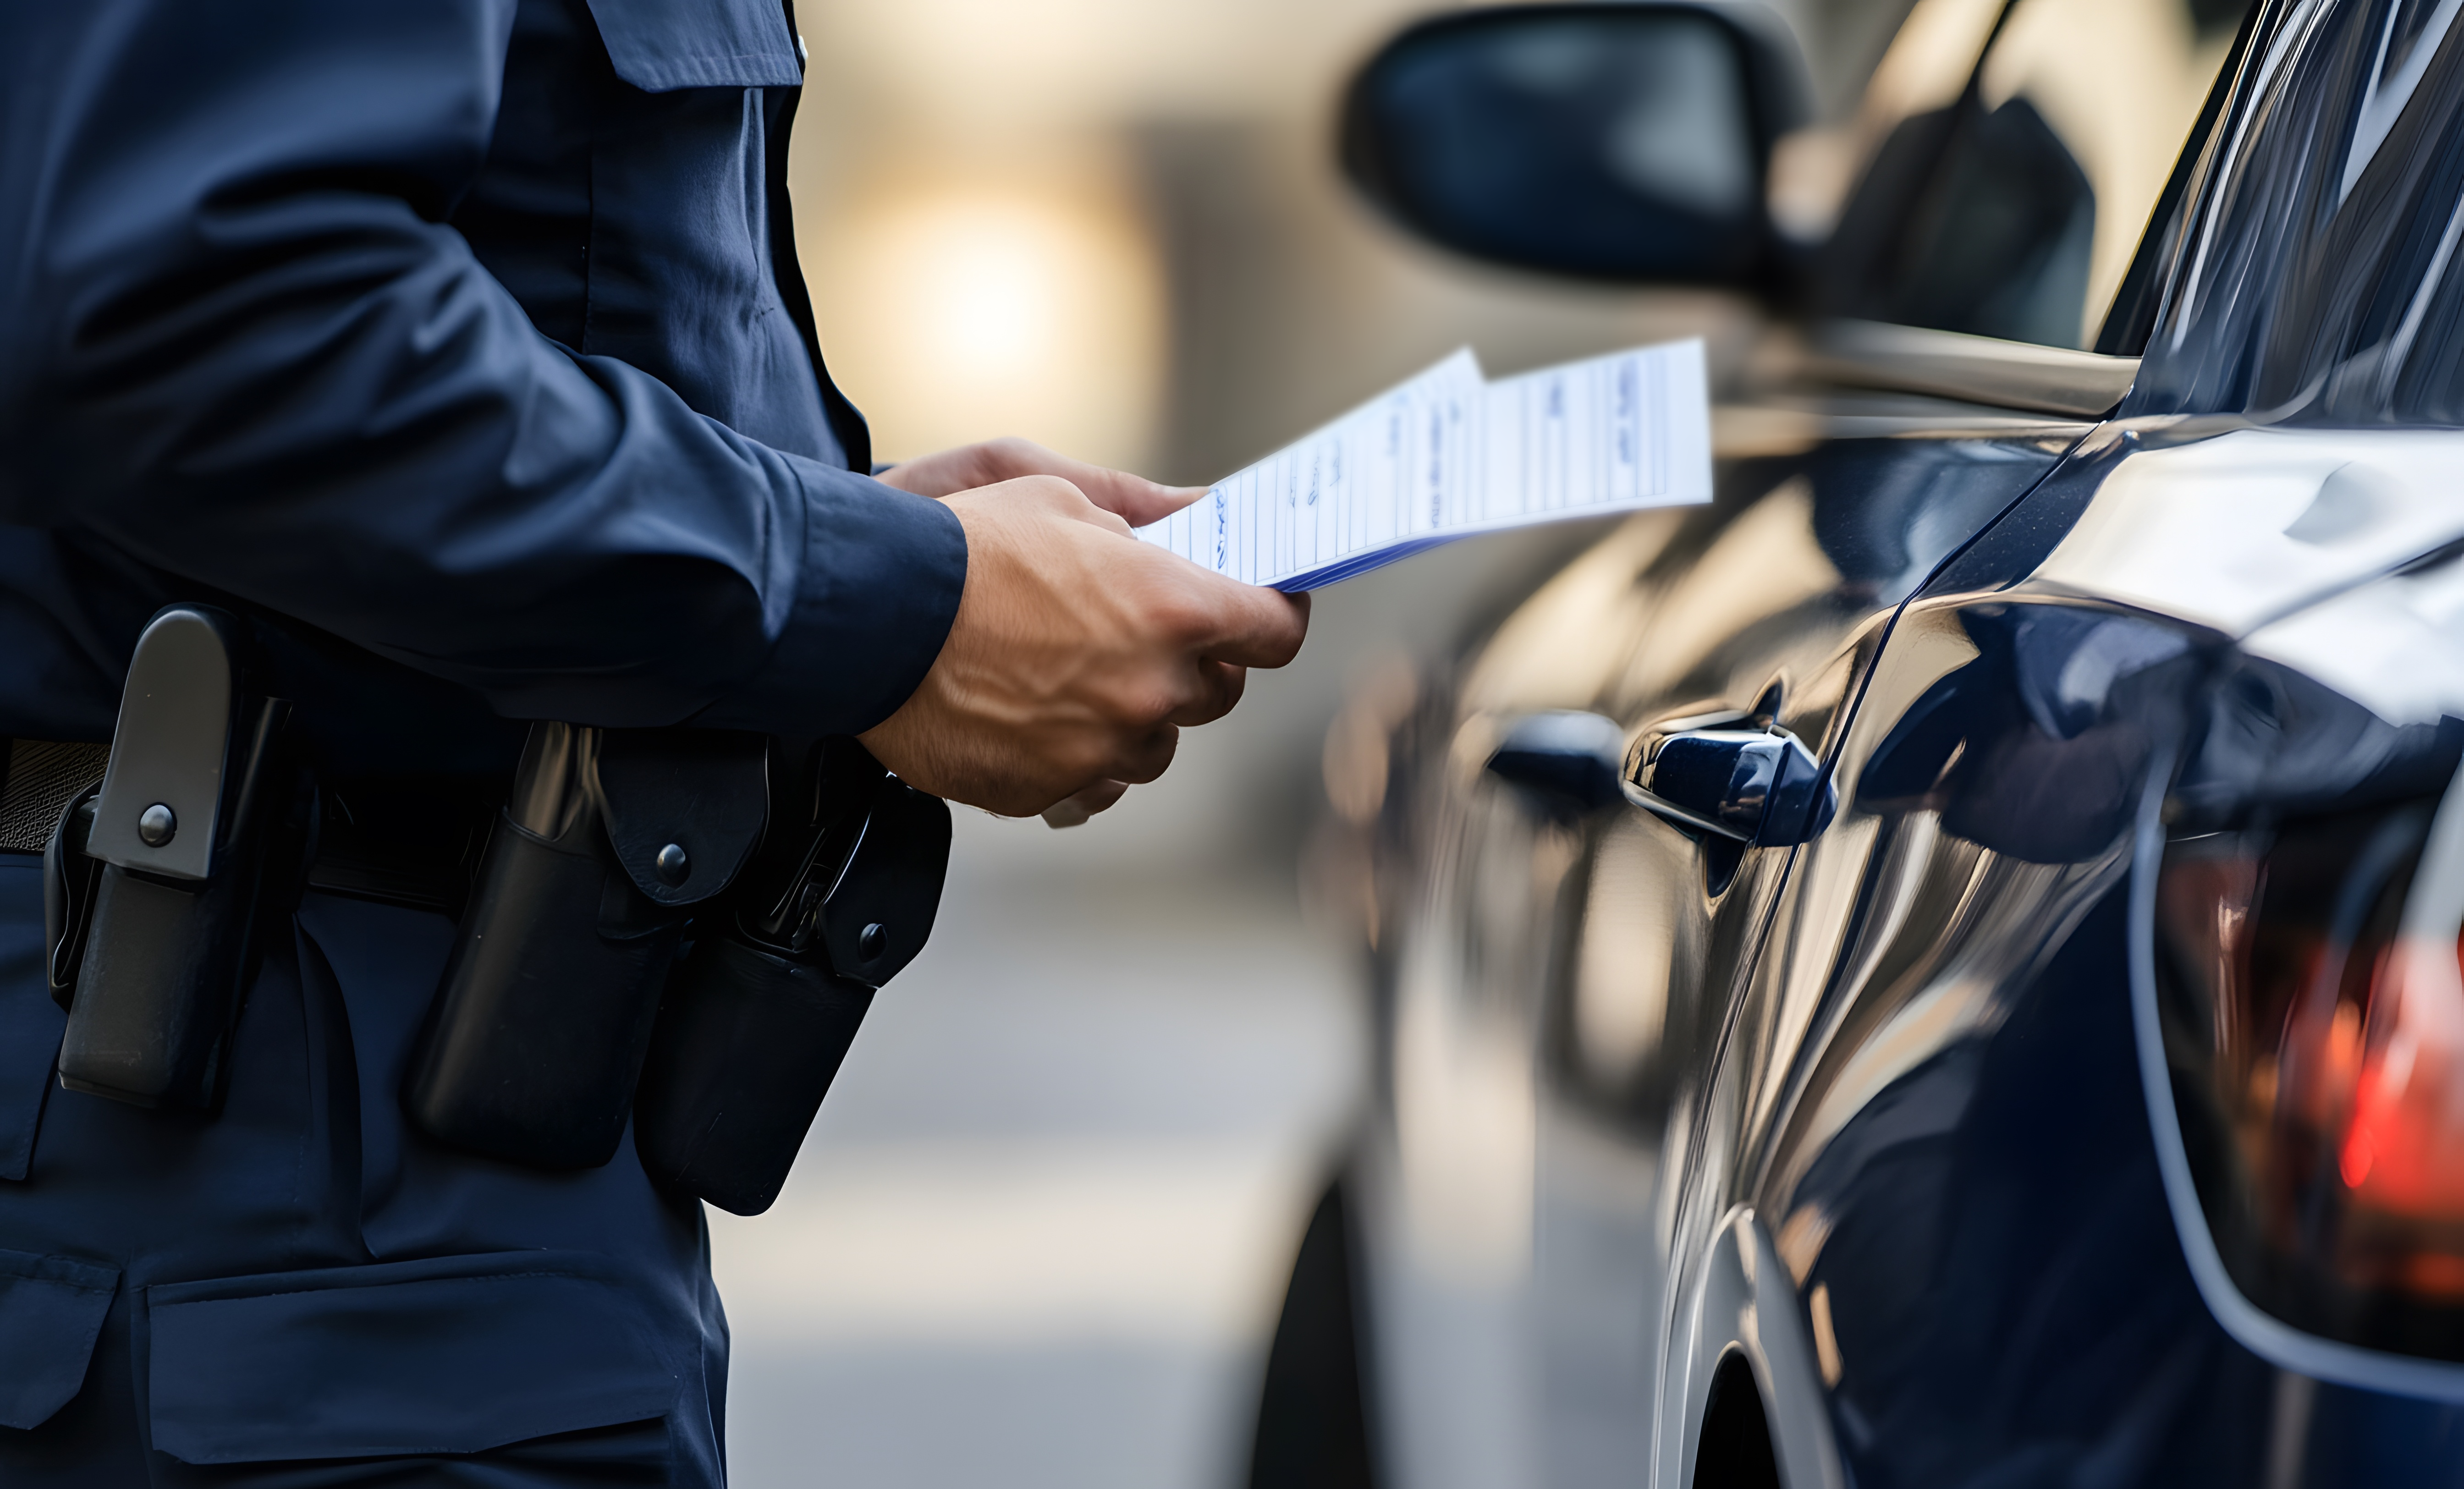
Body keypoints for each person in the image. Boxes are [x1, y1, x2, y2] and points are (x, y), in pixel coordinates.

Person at [0, 0, 1308, 1482]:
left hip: (370, 1188)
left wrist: (866, 528)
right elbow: (203, 313)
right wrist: (895, 607)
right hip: (259, 1196)